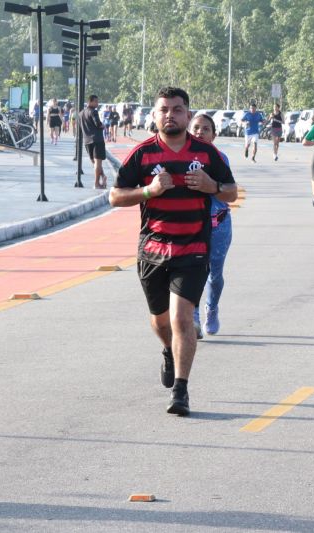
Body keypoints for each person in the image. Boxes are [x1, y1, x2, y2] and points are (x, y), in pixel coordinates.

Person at [110, 87, 237, 416]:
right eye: (164, 109)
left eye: (178, 109)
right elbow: (115, 196)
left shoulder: (206, 154)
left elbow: (231, 192)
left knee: (182, 318)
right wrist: (148, 191)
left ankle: (181, 390)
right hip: (153, 250)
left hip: (193, 248)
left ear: (187, 114)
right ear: (154, 115)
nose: (170, 115)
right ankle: (168, 349)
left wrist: (211, 187)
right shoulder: (142, 154)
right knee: (160, 323)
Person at [188, 113, 234, 338]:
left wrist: (211, 185)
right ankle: (194, 315)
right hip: (192, 226)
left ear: (214, 135)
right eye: (196, 128)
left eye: (206, 129)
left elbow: (229, 192)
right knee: (195, 272)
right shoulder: (182, 159)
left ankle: (211, 308)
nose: (200, 132)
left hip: (219, 225)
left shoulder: (220, 159)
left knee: (214, 275)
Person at [79, 95, 108, 189]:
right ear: (90, 101)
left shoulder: (81, 113)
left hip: (87, 141)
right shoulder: (93, 112)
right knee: (98, 162)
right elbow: (98, 124)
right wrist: (103, 126)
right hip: (97, 140)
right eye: (96, 101)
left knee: (94, 162)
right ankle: (96, 183)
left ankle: (103, 176)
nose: (97, 104)